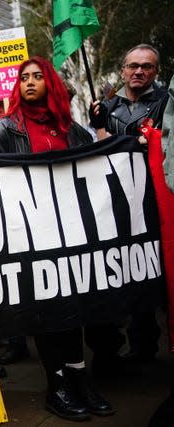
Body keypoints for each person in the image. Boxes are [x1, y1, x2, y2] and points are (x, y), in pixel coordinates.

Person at [0, 56, 113, 421]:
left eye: (38, 76)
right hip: (29, 239)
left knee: (72, 311)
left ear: (50, 83)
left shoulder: (72, 129)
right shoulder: (2, 131)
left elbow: (96, 167)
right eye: (24, 77)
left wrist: (102, 128)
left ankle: (78, 377)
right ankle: (56, 386)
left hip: (70, 237)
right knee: (45, 313)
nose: (29, 82)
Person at [88, 44, 169, 369]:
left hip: (154, 203)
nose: (139, 71)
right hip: (115, 204)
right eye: (133, 65)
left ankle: (145, 344)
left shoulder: (166, 104)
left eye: (147, 67)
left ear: (155, 72)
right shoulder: (105, 107)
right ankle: (110, 347)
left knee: (148, 270)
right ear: (122, 70)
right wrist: (98, 128)